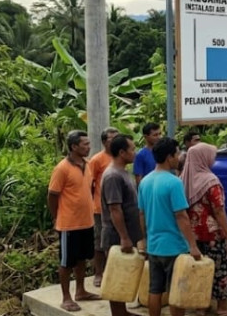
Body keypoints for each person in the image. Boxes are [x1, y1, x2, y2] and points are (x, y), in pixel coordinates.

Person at [137, 137, 202, 316]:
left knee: (155, 290)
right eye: (177, 154)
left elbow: (141, 214)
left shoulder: (145, 181)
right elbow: (181, 216)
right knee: (176, 291)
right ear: (169, 157)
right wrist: (193, 245)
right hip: (174, 246)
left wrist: (144, 240)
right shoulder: (174, 182)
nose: (179, 157)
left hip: (154, 246)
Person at [182, 143, 227, 316]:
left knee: (199, 269)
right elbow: (219, 210)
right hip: (213, 235)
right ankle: (222, 306)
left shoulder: (183, 179)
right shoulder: (211, 181)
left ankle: (201, 306)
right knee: (220, 269)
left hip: (193, 236)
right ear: (204, 158)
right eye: (212, 156)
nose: (213, 160)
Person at [47, 130, 100, 312]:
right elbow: (52, 195)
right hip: (69, 224)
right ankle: (66, 297)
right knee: (67, 262)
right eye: (85, 144)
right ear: (74, 146)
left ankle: (81, 291)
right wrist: (56, 217)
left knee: (82, 258)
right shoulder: (62, 168)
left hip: (87, 222)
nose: (89, 147)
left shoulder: (88, 164)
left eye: (88, 143)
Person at [100, 134, 143, 316]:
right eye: (132, 149)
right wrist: (124, 237)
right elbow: (115, 209)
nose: (135, 152)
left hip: (126, 233)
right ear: (122, 152)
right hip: (116, 234)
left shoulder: (124, 172)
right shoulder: (113, 176)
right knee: (116, 276)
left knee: (123, 274)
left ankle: (122, 311)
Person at [89, 127, 119, 288]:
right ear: (104, 142)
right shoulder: (97, 160)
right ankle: (98, 273)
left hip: (118, 208)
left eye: (117, 138)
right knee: (100, 243)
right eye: (111, 138)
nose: (115, 141)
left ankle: (112, 271)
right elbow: (89, 184)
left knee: (116, 242)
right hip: (100, 209)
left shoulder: (120, 157)